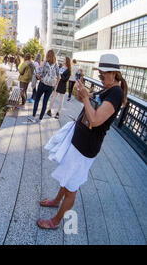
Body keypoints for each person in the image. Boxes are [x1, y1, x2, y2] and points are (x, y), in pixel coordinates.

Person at [37, 54, 127, 230]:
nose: (100, 77)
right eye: (99, 73)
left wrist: (86, 98)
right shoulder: (106, 89)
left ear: (114, 73)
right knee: (67, 175)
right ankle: (56, 201)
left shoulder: (116, 93)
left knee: (72, 187)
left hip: (86, 147)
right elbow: (85, 101)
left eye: (103, 74)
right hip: (79, 140)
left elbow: (95, 120)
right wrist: (81, 93)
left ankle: (55, 222)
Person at [29, 50, 60, 123]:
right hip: (50, 87)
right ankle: (40, 119)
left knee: (37, 100)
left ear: (47, 55)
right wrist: (55, 86)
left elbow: (40, 74)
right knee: (45, 102)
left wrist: (37, 76)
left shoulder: (45, 63)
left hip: (42, 84)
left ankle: (33, 117)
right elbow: (59, 77)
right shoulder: (56, 65)